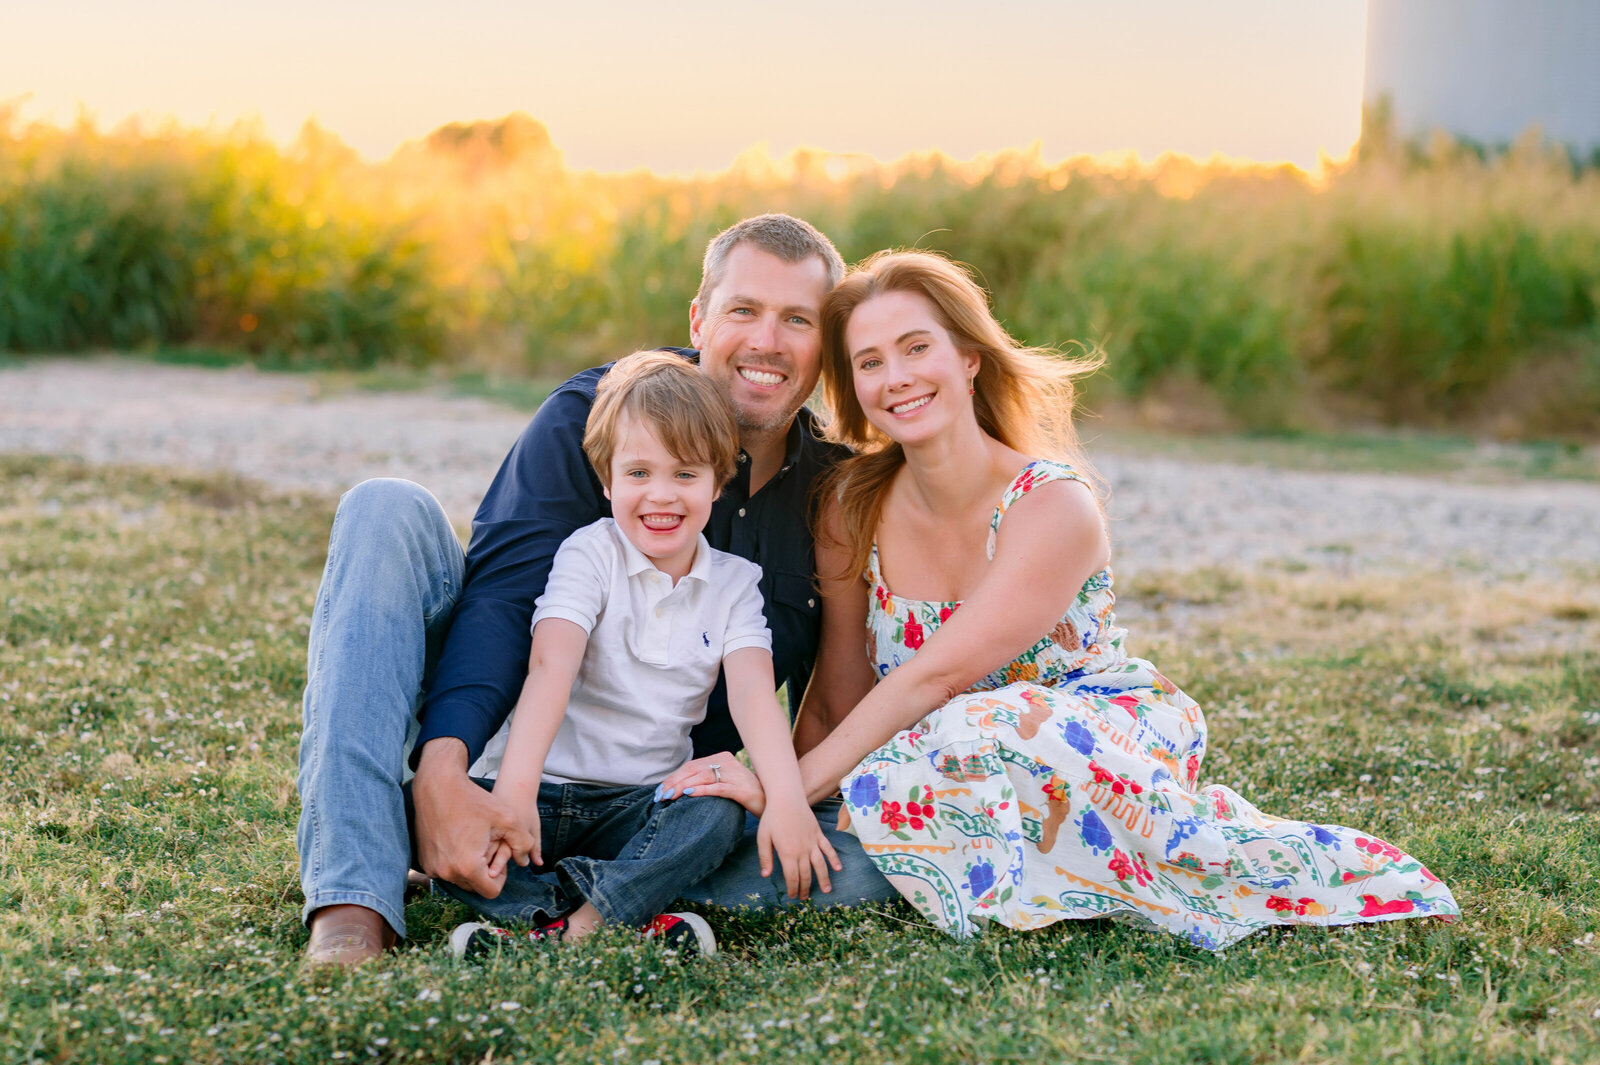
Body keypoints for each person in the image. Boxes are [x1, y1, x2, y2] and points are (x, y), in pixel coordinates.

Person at [669, 250, 1460, 949]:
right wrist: (791, 799)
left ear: (969, 357)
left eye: (917, 348)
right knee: (927, 753)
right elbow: (841, 682)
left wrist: (784, 788)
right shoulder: (850, 503)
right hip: (924, 758)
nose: (897, 377)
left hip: (1073, 738)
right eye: (870, 362)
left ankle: (902, 857)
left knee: (992, 720)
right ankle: (879, 859)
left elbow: (934, 679)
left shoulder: (1052, 504)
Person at [297, 215, 895, 969]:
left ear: (826, 344)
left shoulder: (830, 490)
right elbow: (509, 606)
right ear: (699, 318)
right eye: (744, 309)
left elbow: (816, 696)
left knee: (876, 864)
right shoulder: (599, 418)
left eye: (797, 320)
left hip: (657, 801)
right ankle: (358, 895)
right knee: (383, 506)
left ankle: (550, 896)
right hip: (519, 756)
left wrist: (792, 803)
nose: (766, 341)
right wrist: (447, 771)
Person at [444, 352, 837, 958]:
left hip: (640, 805)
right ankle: (617, 907)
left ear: (718, 479)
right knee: (453, 815)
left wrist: (785, 801)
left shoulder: (735, 584)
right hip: (541, 790)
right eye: (637, 474)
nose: (661, 496)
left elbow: (756, 696)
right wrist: (516, 792)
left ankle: (565, 924)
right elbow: (551, 665)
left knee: (715, 818)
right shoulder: (589, 553)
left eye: (685, 475)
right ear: (606, 480)